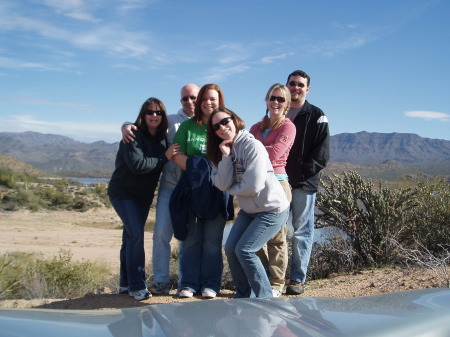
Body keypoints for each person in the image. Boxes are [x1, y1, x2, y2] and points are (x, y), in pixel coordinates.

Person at [121, 84, 200, 295]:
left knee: (189, 237)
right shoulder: (171, 121)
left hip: (195, 189)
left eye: (193, 97)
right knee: (161, 234)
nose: (189, 102)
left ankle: (187, 283)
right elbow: (147, 124)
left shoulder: (208, 121)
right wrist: (126, 124)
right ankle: (162, 281)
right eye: (185, 98)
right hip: (170, 185)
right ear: (180, 100)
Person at [207, 107, 290, 298]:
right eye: (216, 126)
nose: (222, 127)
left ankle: (265, 298)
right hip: (249, 210)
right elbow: (221, 183)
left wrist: (232, 189)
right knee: (230, 248)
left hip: (272, 209)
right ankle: (243, 295)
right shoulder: (223, 150)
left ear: (234, 120)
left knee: (245, 250)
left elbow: (254, 186)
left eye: (225, 121)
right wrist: (226, 158)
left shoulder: (253, 146)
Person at [108, 97, 177, 301]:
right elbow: (138, 165)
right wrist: (165, 157)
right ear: (143, 114)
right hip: (123, 193)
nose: (154, 116)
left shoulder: (162, 138)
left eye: (158, 113)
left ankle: (125, 283)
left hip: (143, 197)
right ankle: (137, 286)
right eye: (149, 112)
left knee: (130, 237)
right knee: (137, 235)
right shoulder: (133, 136)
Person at [172, 84, 229, 299]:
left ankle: (210, 284)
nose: (207, 102)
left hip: (219, 188)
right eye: (204, 99)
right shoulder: (187, 126)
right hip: (192, 188)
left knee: (213, 241)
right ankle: (187, 283)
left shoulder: (225, 125)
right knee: (191, 239)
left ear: (219, 101)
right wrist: (202, 170)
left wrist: (210, 172)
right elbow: (177, 155)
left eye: (212, 99)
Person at [284, 70, 330, 295]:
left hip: (304, 184)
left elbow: (321, 155)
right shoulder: (278, 111)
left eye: (300, 85)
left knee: (302, 231)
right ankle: (273, 278)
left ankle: (297, 279)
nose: (296, 88)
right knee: (275, 230)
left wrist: (301, 175)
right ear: (287, 85)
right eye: (292, 83)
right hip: (279, 183)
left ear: (307, 89)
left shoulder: (316, 115)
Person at [249, 84, 295, 297]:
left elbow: (276, 154)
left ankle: (276, 283)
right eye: (272, 98)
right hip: (255, 185)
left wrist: (254, 148)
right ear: (266, 100)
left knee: (276, 237)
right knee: (250, 238)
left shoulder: (288, 127)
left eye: (281, 99)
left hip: (277, 184)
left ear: (286, 104)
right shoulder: (256, 127)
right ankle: (263, 276)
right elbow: (243, 151)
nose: (276, 102)